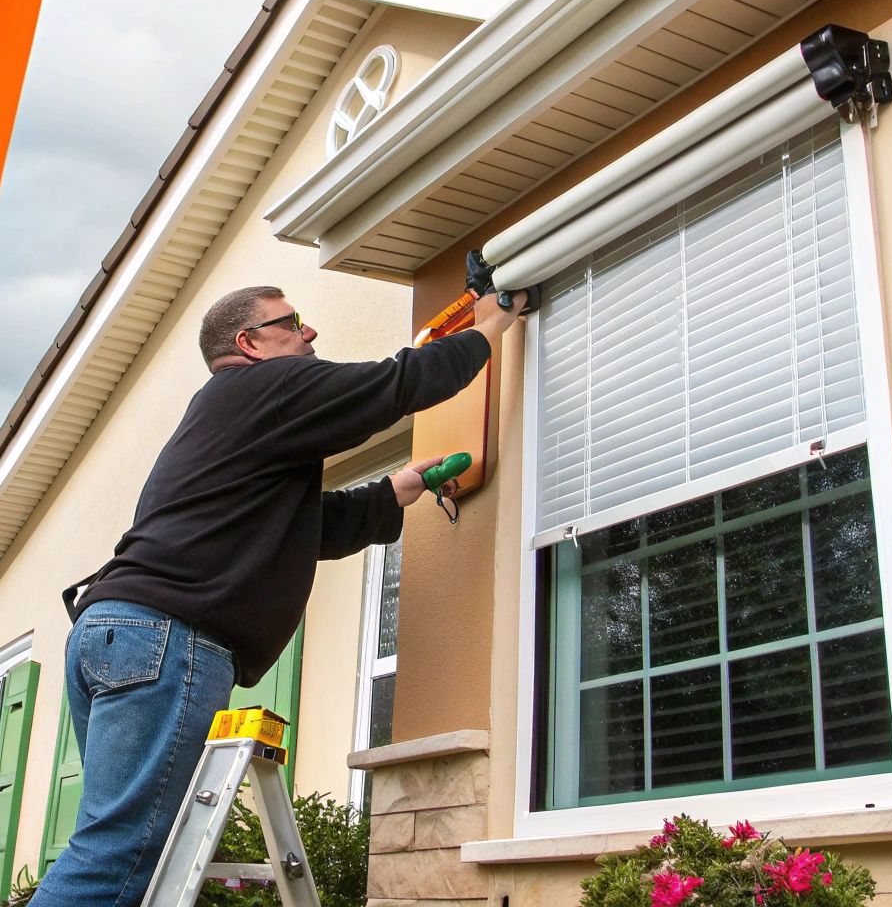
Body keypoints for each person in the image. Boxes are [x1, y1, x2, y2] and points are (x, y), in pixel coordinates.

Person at [32, 283, 525, 907]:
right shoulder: (264, 387)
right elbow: (394, 384)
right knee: (121, 853)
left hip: (115, 631)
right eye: (293, 322)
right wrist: (489, 326)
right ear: (249, 344)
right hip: (167, 639)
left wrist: (395, 490)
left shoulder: (232, 414)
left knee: (110, 846)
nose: (309, 333)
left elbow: (296, 528)